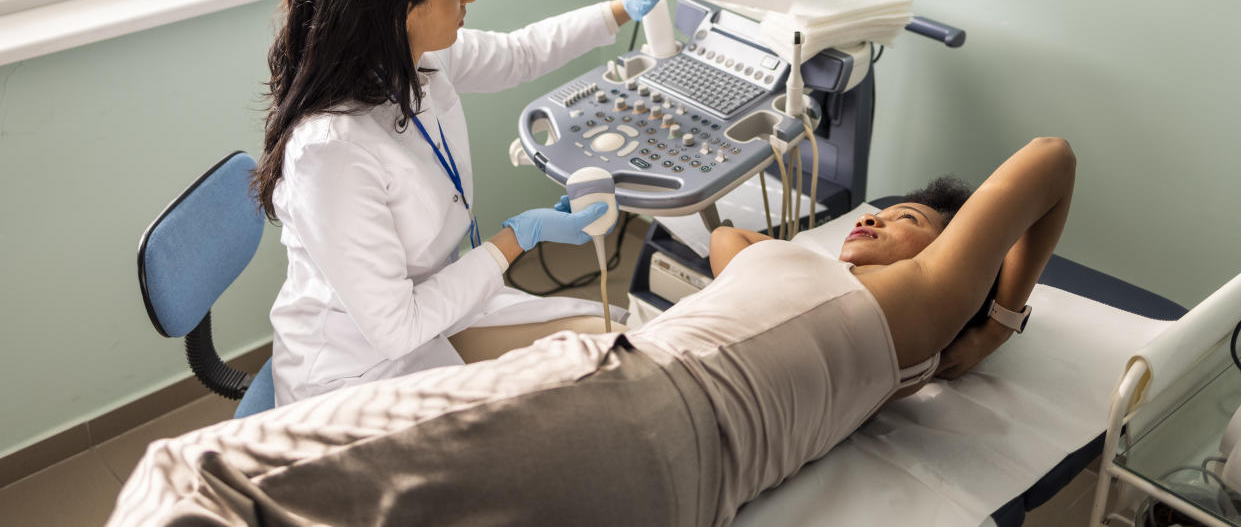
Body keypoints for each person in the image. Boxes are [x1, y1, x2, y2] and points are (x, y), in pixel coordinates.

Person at [108, 137, 1074, 527]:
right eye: (881, 209)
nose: (875, 219)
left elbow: (1050, 159)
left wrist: (990, 319)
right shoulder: (820, 281)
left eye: (911, 221)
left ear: (951, 264)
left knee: (197, 479)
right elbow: (733, 238)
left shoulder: (924, 304)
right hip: (671, 478)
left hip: (627, 401)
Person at [253, 0, 691, 404]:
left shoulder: (416, 59)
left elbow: (520, 53)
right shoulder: (330, 152)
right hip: (360, 376)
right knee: (582, 400)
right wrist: (517, 239)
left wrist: (628, 6)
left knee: (616, 338)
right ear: (402, 8)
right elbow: (396, 330)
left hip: (439, 310)